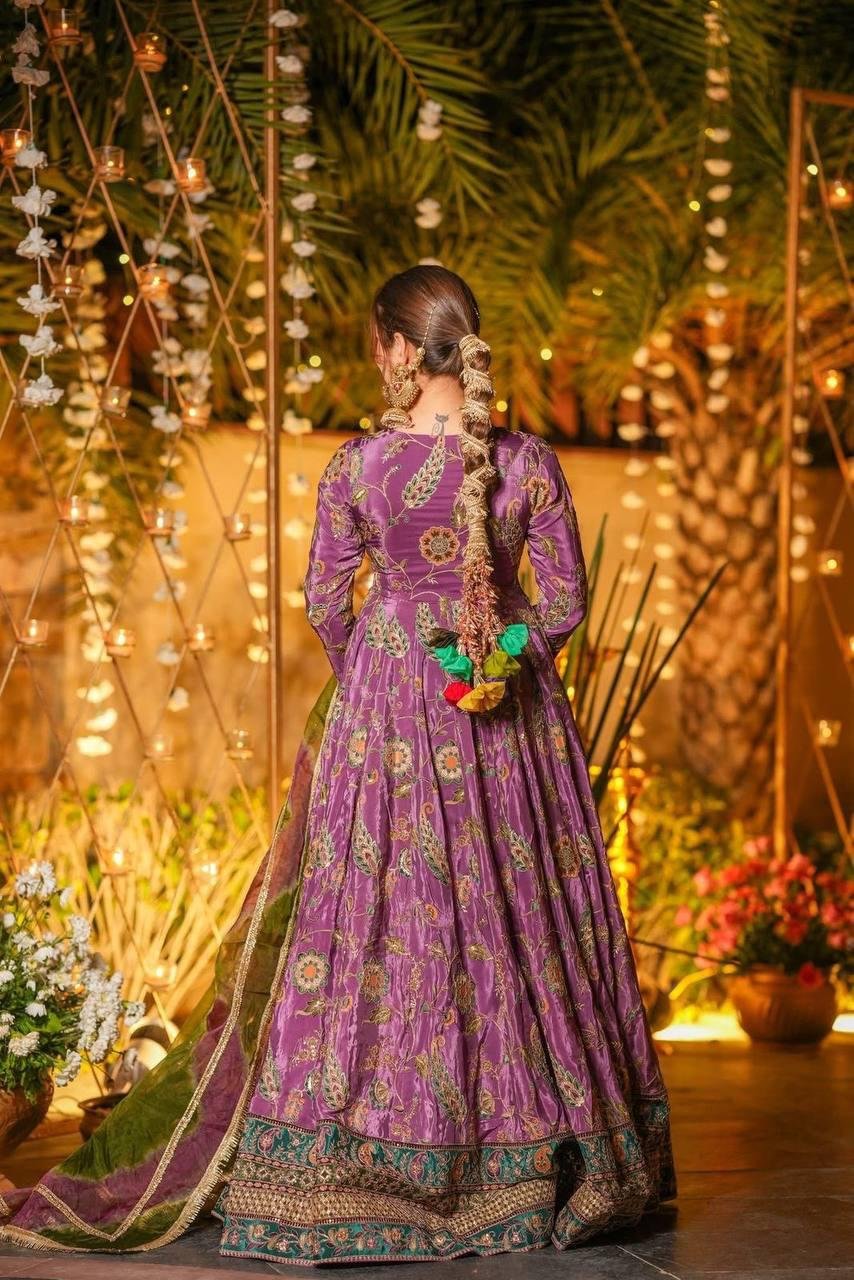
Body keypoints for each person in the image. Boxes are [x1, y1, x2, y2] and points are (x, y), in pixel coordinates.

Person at [0, 265, 675, 1265]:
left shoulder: (359, 468)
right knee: (514, 921)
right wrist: (492, 658)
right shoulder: (527, 460)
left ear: (399, 349)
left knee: (382, 923)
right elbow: (565, 602)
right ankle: (541, 1156)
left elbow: (324, 598)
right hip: (508, 723)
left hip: (387, 718)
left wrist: (380, 671)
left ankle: (357, 1160)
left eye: (377, 346)